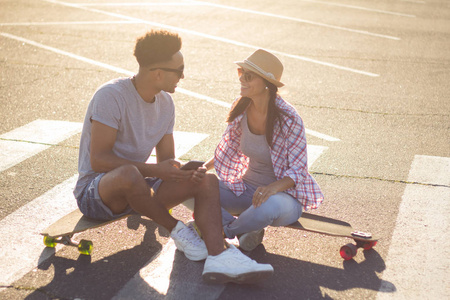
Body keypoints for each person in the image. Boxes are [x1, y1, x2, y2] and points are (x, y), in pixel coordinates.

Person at [73, 30, 273, 284]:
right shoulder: (111, 96)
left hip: (140, 192)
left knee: (205, 180)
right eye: (179, 70)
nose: (183, 76)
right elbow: (98, 161)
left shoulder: (166, 103)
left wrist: (183, 172)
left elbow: (166, 162)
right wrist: (157, 171)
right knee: (129, 174)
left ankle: (218, 255)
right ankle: (177, 230)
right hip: (97, 193)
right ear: (158, 73)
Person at [204, 49, 324, 252]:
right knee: (196, 185)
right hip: (246, 191)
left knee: (270, 204)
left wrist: (272, 189)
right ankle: (245, 229)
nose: (242, 79)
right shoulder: (241, 108)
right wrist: (201, 169)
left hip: (283, 198)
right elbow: (227, 147)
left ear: (266, 83)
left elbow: (299, 170)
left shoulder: (288, 118)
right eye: (241, 72)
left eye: (248, 76)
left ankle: (226, 230)